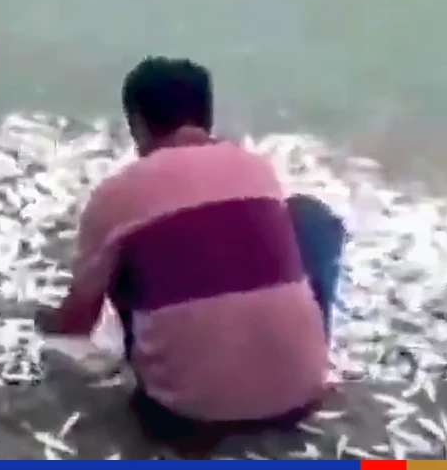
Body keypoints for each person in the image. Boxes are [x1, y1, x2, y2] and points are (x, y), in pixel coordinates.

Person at [36, 56, 346, 447]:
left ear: (137, 122)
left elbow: (79, 321)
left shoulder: (116, 194)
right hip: (301, 400)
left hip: (182, 417)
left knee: (126, 250)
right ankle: (298, 353)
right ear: (206, 118)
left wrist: (48, 322)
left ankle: (187, 359)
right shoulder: (257, 168)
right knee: (309, 217)